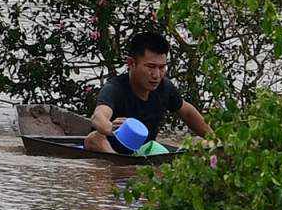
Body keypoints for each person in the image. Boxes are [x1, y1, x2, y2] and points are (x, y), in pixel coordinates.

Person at [84, 31, 213, 154]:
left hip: (143, 150)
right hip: (111, 149)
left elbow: (188, 112)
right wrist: (112, 129)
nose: (157, 75)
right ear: (131, 63)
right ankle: (121, 165)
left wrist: (214, 139)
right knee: (95, 138)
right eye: (151, 67)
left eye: (162, 67)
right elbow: (99, 117)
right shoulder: (115, 88)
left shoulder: (165, 88)